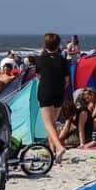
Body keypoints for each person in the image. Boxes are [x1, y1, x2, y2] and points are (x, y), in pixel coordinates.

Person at [36, 33, 70, 161]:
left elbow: (39, 76)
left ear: (45, 45)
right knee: (53, 123)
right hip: (59, 93)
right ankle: (52, 150)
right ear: (58, 45)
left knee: (48, 123)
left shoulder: (40, 59)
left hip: (45, 92)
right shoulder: (62, 60)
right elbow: (67, 80)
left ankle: (59, 147)